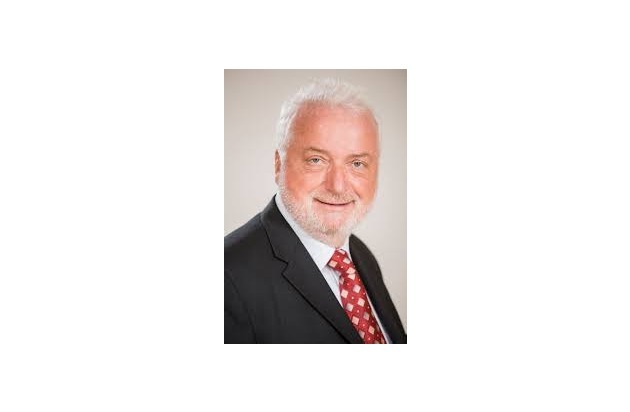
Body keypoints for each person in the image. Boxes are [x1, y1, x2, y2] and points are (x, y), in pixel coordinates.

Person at [224, 78, 407, 344]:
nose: (337, 186)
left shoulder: (359, 255)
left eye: (357, 163)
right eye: (316, 160)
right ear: (278, 165)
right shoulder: (226, 278)